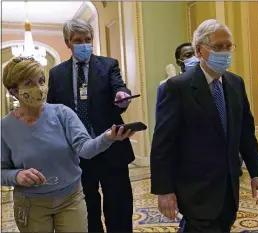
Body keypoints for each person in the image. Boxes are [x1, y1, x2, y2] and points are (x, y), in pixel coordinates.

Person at [150, 19, 258, 233]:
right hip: (195, 190)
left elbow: (245, 133)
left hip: (229, 188)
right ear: (199, 50)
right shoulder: (178, 87)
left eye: (228, 46)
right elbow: (162, 143)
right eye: (217, 47)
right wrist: (164, 190)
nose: (224, 52)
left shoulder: (235, 83)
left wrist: (256, 173)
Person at [1, 56, 135, 232]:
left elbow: (85, 149)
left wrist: (107, 137)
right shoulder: (5, 127)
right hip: (31, 205)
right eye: (29, 83)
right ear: (14, 91)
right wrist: (16, 176)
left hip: (70, 199)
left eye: (41, 81)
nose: (39, 88)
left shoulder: (62, 113)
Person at [47, 19, 135, 233]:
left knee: (119, 207)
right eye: (78, 41)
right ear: (68, 43)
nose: (85, 44)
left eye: (88, 40)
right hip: (77, 153)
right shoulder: (56, 74)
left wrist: (122, 96)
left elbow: (119, 86)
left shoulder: (108, 65)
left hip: (111, 147)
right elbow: (52, 110)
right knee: (87, 211)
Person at [156, 43, 198, 114]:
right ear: (179, 62)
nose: (194, 58)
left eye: (196, 54)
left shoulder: (208, 83)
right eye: (188, 55)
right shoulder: (166, 87)